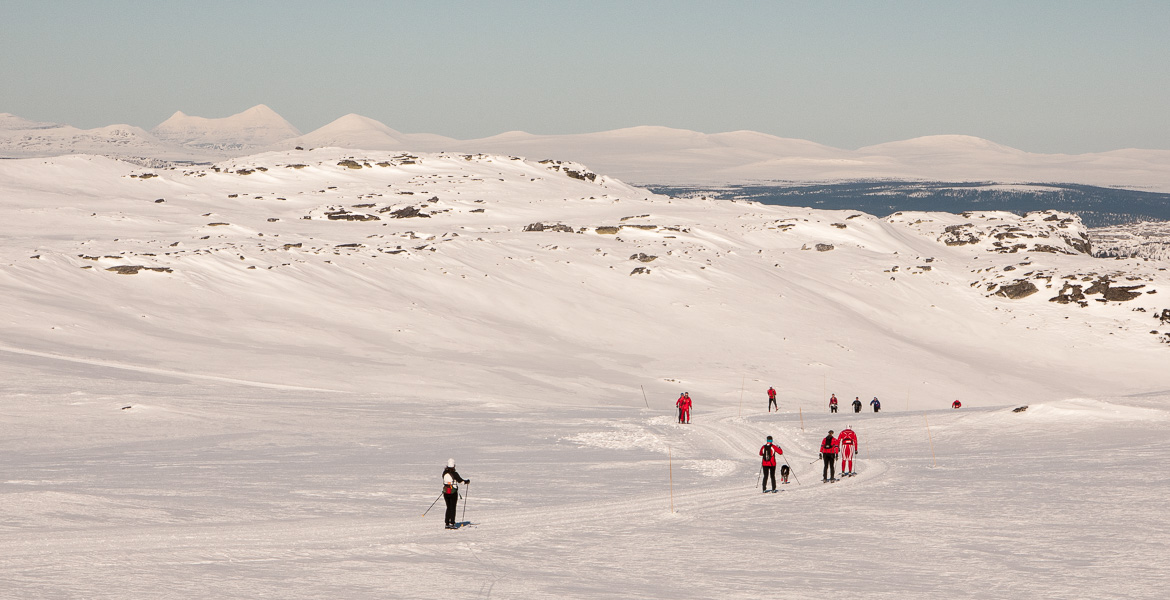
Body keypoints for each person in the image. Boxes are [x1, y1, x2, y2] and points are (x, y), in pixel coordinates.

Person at [442, 458, 469, 529]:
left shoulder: (444, 473)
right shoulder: (454, 473)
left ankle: (447, 523)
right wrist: (467, 482)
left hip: (445, 492)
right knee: (453, 507)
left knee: (448, 507)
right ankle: (452, 523)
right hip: (453, 492)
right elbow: (461, 481)